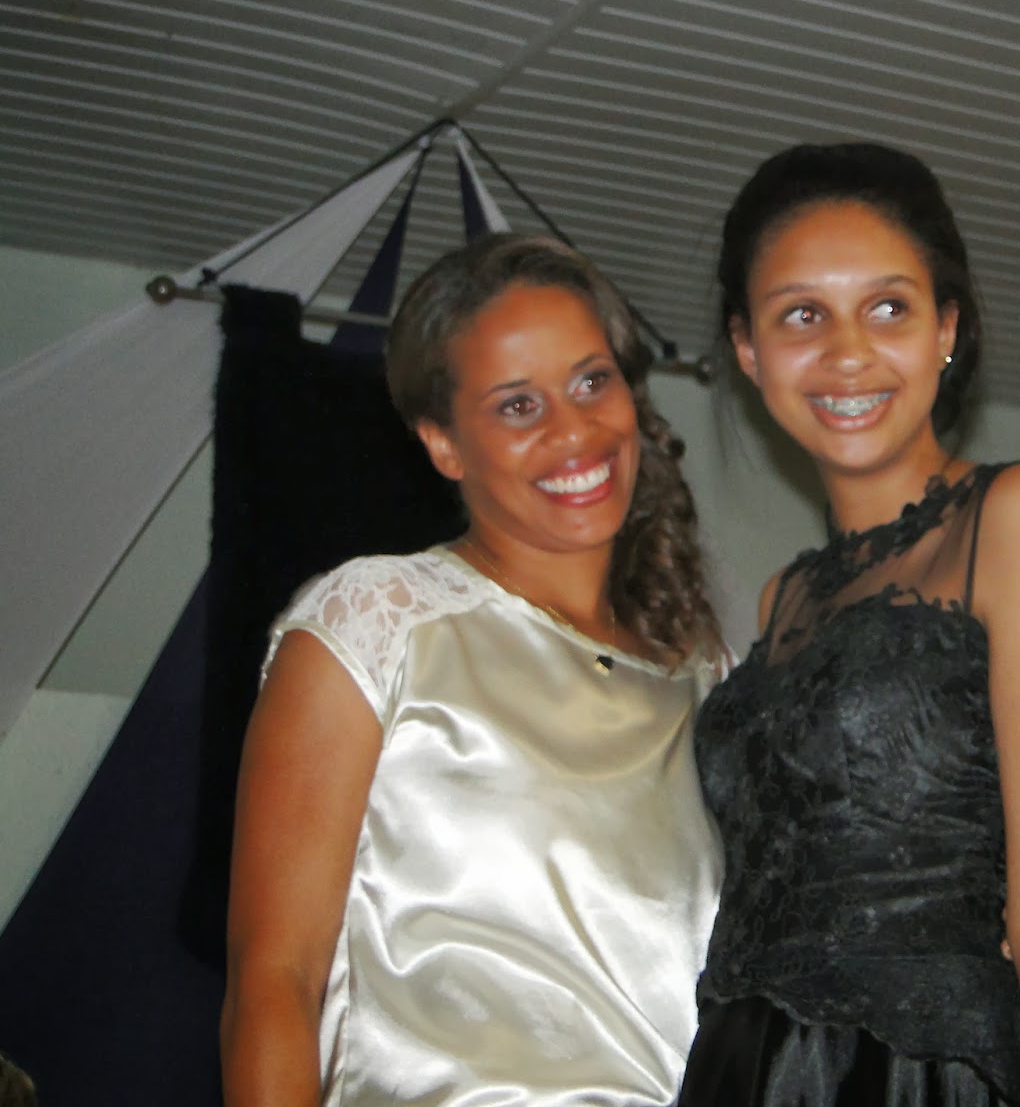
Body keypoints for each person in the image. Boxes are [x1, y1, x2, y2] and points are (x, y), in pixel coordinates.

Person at [220, 233, 724, 1107]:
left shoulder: (707, 674)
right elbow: (276, 984)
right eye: (518, 405)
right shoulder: (374, 622)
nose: (574, 429)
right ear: (444, 444)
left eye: (591, 382)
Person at [679, 143, 1020, 1107]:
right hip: (742, 1070)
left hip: (913, 1077)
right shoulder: (783, 600)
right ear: (748, 350)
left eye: (888, 308)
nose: (848, 352)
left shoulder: (1017, 516)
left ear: (946, 329)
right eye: (802, 314)